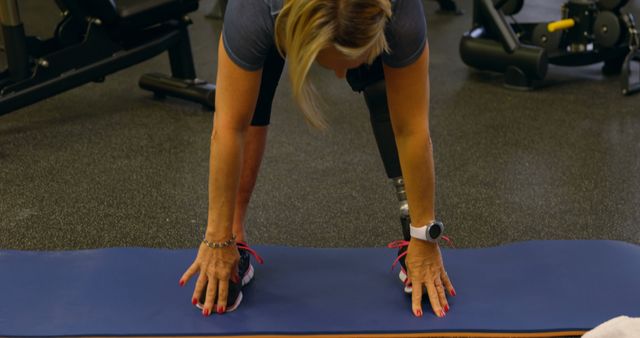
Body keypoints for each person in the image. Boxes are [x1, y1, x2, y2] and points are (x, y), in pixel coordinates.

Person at [179, 0, 455, 318]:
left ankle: (412, 237)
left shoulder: (402, 12)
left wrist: (425, 236)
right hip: (275, 17)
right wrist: (217, 238)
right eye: (330, 63)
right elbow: (229, 127)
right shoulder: (255, 9)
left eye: (348, 63)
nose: (339, 75)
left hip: (384, 25)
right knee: (250, 98)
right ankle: (234, 239)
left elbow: (411, 129)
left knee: (384, 91)